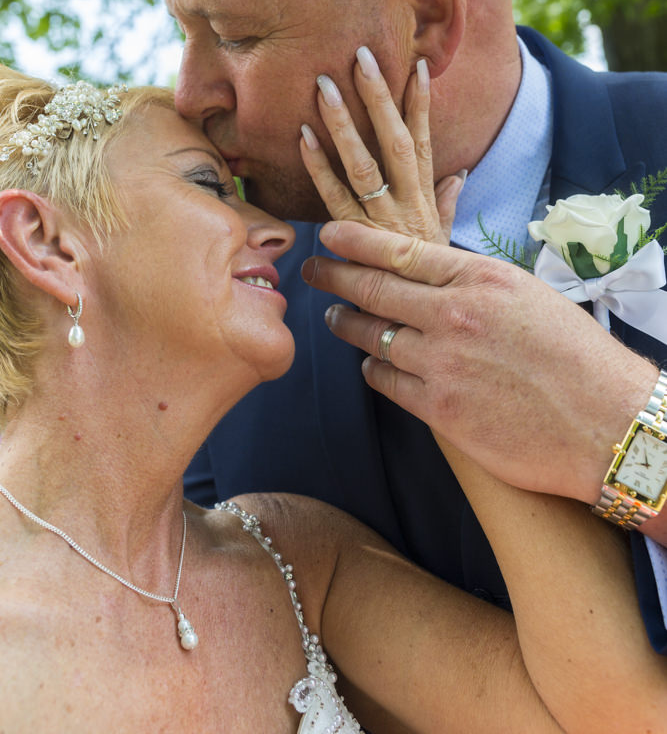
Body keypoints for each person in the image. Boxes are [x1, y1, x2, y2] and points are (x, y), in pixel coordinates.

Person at [162, 0, 667, 651]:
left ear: (425, 13)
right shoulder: (224, 299)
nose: (190, 93)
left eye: (236, 36)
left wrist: (624, 425)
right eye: (185, 34)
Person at [3, 65, 665, 733]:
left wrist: (444, 322)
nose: (277, 231)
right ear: (46, 242)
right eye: (208, 185)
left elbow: (618, 718)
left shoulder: (299, 564)